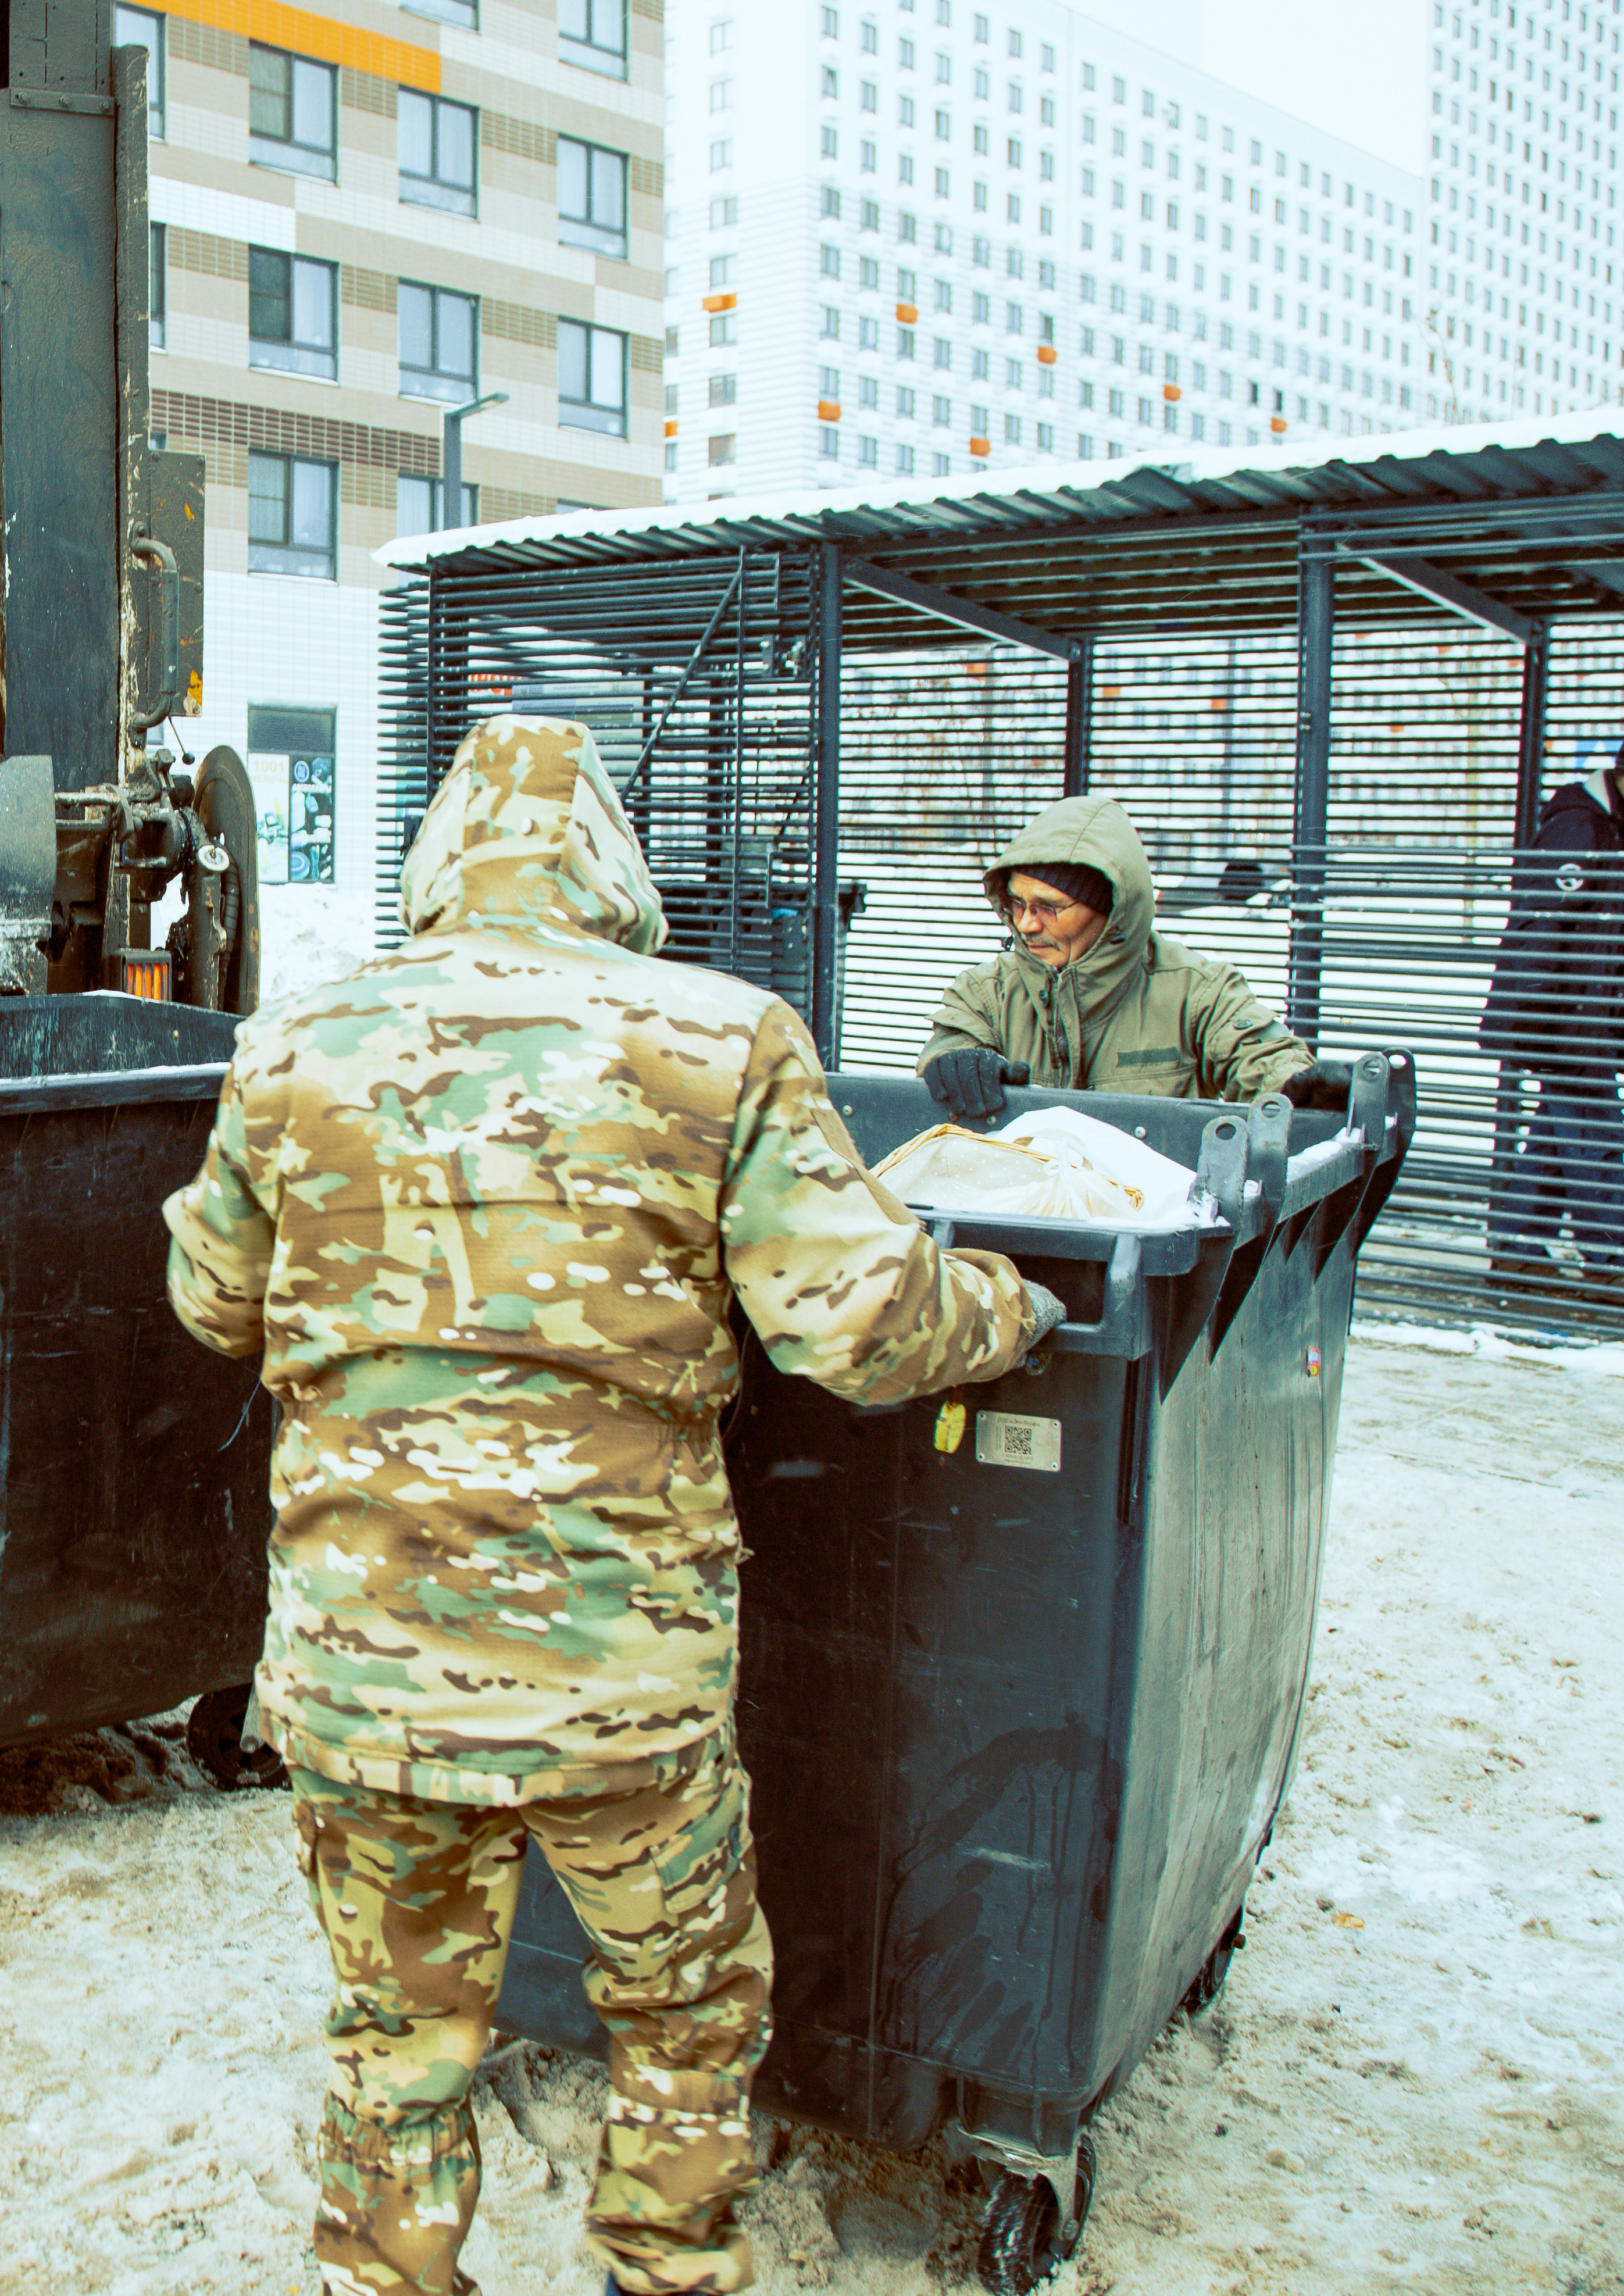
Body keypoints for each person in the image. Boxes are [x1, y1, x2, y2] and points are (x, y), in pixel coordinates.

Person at [162, 715, 1061, 2296]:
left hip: (368, 1676)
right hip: (619, 1691)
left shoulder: (296, 1044)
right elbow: (862, 1327)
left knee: (398, 2039)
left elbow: (210, 1301)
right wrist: (1009, 1304)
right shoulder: (719, 1040)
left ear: (442, 858)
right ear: (613, 861)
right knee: (685, 2019)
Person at [916, 793, 1315, 1124]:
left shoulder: (1196, 992)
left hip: (1143, 1212)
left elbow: (1261, 1059)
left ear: (1112, 911)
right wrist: (957, 1065)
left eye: (1048, 907)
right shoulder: (986, 993)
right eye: (1017, 903)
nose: (1025, 925)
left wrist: (1299, 1084)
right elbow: (951, 1046)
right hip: (1017, 1209)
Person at [1478, 725, 1624, 1300]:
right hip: (1567, 1018)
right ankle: (1610, 1261)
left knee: (1558, 1135)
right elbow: (1544, 920)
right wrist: (1537, 1015)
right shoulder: (1582, 825)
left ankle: (1517, 1248)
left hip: (1591, 1016)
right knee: (1597, 1134)